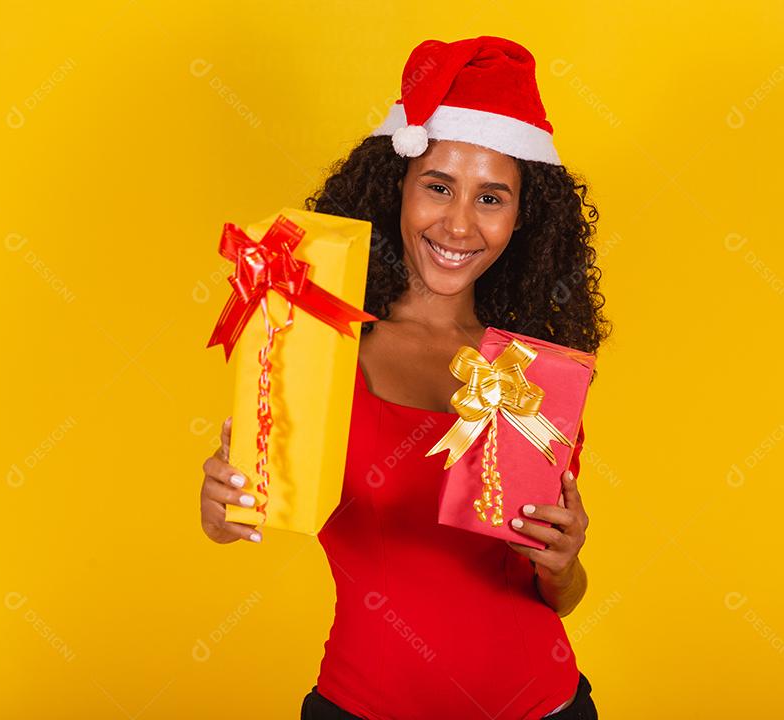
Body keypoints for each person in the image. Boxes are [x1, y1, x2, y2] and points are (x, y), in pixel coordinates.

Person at [199, 35, 611, 719]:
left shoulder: (533, 371)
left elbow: (555, 592)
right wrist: (222, 505)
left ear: (522, 217)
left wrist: (563, 560)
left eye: (492, 198)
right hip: (362, 703)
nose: (458, 223)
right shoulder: (317, 341)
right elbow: (250, 507)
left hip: (546, 705)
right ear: (398, 188)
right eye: (439, 186)